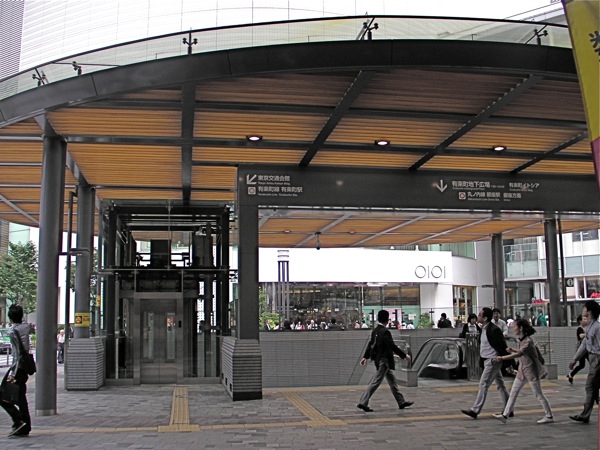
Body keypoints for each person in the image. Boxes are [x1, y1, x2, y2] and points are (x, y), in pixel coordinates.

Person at [492, 319, 554, 424]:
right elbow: (522, 352)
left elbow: (520, 354)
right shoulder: (521, 340)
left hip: (530, 371)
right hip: (522, 370)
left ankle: (549, 416)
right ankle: (505, 415)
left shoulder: (528, 341)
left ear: (521, 328)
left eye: (515, 326)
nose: (513, 328)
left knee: (538, 394)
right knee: (513, 392)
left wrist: (502, 358)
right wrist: (513, 350)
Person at [357, 310, 413, 412]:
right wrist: (404, 356)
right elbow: (392, 346)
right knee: (375, 382)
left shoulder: (375, 331)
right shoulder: (385, 332)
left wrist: (365, 357)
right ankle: (363, 402)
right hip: (384, 361)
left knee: (392, 381)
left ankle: (401, 402)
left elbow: (371, 345)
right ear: (387, 319)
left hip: (379, 360)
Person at [461, 307, 510, 419]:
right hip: (487, 360)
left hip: (492, 361)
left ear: (485, 318)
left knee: (483, 384)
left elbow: (503, 346)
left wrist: (507, 362)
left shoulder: (494, 330)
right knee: (500, 384)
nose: (477, 316)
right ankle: (509, 408)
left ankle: (475, 410)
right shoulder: (483, 329)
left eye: (479, 315)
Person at [0, 304, 32, 437]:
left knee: (2, 394)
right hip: (24, 368)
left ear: (11, 318)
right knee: (21, 397)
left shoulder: (14, 331)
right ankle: (25, 425)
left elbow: (16, 354)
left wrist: (12, 373)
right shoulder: (26, 327)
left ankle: (18, 420)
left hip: (18, 368)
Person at [569, 300, 600, 424]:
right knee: (594, 386)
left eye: (584, 308)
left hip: (597, 358)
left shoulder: (597, 327)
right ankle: (585, 414)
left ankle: (585, 415)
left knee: (590, 386)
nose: (583, 310)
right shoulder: (589, 327)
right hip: (593, 358)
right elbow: (584, 344)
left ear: (590, 312)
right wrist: (575, 359)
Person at [567, 315, 588, 384]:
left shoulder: (586, 328)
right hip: (582, 350)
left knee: (583, 365)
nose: (586, 320)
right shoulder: (580, 329)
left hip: (586, 349)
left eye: (586, 319)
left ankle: (571, 375)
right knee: (589, 364)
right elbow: (581, 336)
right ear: (580, 321)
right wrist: (588, 334)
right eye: (584, 319)